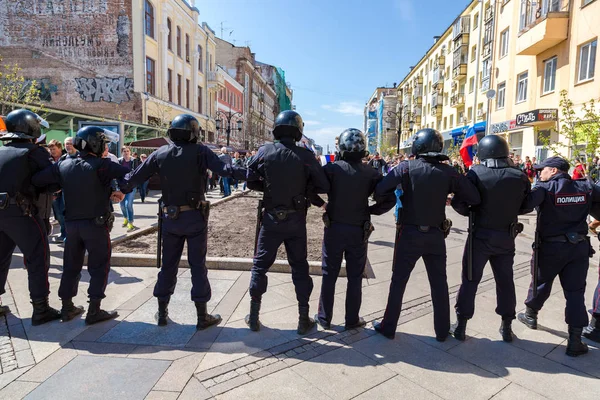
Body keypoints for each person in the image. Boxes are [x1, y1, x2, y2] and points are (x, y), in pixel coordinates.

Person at [119, 114, 246, 329]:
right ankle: (201, 315)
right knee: (198, 265)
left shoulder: (160, 153)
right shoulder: (200, 151)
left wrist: (118, 188)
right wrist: (254, 173)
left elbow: (135, 177)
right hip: (195, 217)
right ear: (194, 132)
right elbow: (225, 170)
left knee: (168, 265)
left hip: (170, 218)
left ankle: (161, 312)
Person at [372, 128, 481, 341]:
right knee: (439, 283)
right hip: (435, 235)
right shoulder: (449, 172)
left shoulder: (405, 168)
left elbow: (380, 191)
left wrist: (397, 198)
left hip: (409, 233)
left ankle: (388, 326)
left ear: (418, 146)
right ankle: (441, 331)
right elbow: (474, 197)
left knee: (399, 281)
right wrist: (453, 201)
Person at [245, 110, 329, 334]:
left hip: (271, 217)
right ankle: (303, 318)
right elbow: (323, 184)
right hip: (295, 220)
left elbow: (249, 177)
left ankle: (253, 316)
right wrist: (304, 187)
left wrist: (268, 187)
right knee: (299, 267)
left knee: (260, 266)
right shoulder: (306, 156)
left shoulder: (265, 151)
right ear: (299, 131)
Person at [33, 126, 128, 324]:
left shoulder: (64, 165)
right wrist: (120, 190)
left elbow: (39, 179)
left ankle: (67, 307)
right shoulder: (102, 165)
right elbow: (129, 174)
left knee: (71, 266)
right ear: (96, 142)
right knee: (99, 266)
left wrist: (57, 187)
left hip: (72, 226)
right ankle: (94, 309)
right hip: (96, 225)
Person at [309, 129, 395, 329]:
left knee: (329, 274)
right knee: (355, 276)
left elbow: (311, 189)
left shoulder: (331, 169)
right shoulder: (371, 173)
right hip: (358, 230)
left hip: (334, 228)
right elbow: (389, 198)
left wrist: (322, 204)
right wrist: (371, 209)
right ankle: (352, 319)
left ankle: (324, 318)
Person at [450, 135, 531, 342]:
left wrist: (471, 212)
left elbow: (460, 202)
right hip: (506, 236)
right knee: (505, 281)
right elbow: (525, 205)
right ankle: (506, 326)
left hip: (480, 235)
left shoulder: (476, 173)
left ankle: (461, 325)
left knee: (470, 280)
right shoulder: (519, 175)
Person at [518, 156, 600, 357]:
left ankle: (530, 315)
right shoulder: (586, 187)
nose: (539, 174)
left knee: (541, 282)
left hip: (551, 249)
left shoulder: (545, 189)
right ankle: (574, 341)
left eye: (542, 170)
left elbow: (523, 206)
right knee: (575, 293)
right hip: (578, 248)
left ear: (553, 171)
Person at [0, 109, 62, 325]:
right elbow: (53, 182)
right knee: (38, 257)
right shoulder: (35, 152)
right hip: (24, 213)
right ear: (30, 127)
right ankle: (41, 308)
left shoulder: (0, 151)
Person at [47, 140, 67, 243]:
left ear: (60, 148)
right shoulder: (48, 159)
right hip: (53, 191)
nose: (52, 151)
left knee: (65, 212)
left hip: (64, 190)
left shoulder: (66, 158)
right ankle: (64, 232)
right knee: (58, 214)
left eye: (54, 149)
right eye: (50, 149)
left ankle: (67, 234)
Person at [118, 147, 140, 231]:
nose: (126, 152)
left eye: (127, 151)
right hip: (121, 186)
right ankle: (125, 218)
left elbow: (137, 172)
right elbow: (117, 172)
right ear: (122, 152)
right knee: (122, 205)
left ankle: (131, 223)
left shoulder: (134, 160)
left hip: (131, 186)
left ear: (130, 152)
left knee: (128, 205)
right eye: (124, 151)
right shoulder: (119, 161)